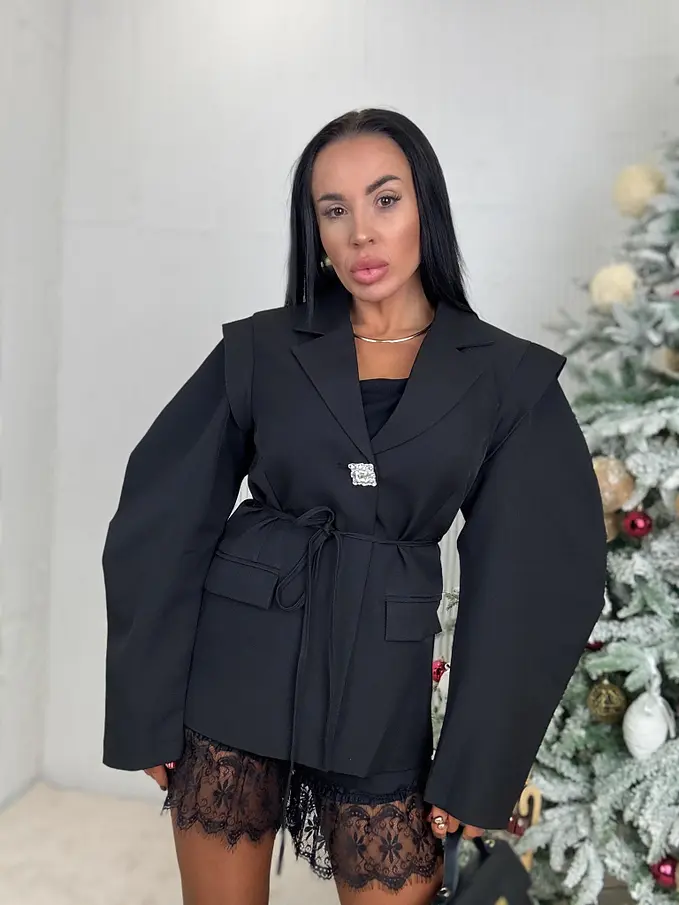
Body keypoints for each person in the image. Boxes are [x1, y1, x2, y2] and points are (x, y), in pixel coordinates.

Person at [102, 108, 608, 905]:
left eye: (384, 200)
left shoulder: (507, 378)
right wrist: (146, 704)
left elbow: (537, 578)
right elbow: (158, 519)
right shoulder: (261, 348)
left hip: (381, 693)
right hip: (235, 667)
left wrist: (477, 766)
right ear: (314, 230)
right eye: (332, 209)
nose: (360, 233)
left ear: (425, 208)